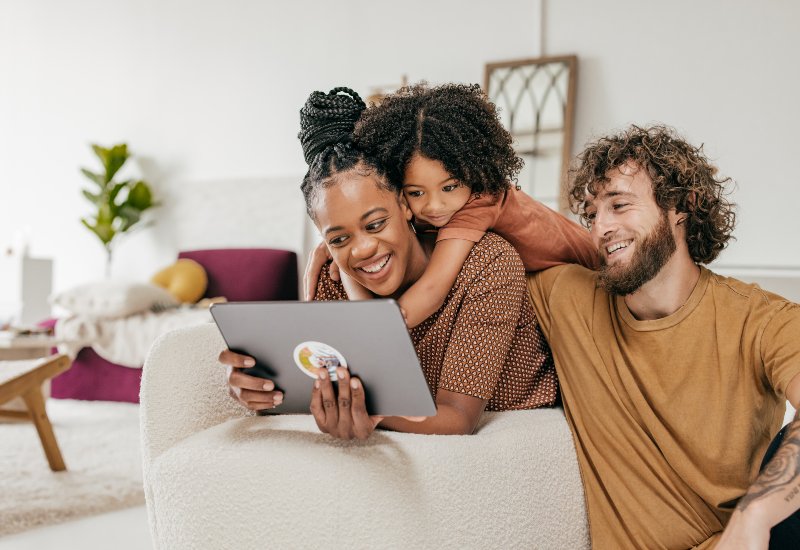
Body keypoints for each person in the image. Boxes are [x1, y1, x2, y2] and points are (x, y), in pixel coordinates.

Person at [221, 87, 564, 437]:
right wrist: (264, 392)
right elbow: (320, 384)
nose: (363, 249)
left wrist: (368, 412)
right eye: (339, 239)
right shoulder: (333, 278)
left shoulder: (486, 263)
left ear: (403, 204)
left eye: (375, 224)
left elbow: (457, 417)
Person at [525, 124, 800, 548]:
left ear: (682, 207)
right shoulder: (569, 299)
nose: (600, 229)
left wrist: (755, 517)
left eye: (619, 205)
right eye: (592, 213)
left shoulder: (760, 320)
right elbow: (491, 212)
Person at [305, 83, 597, 328]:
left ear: (473, 172)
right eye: (415, 192)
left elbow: (431, 292)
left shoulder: (477, 204)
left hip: (594, 270)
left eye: (450, 187)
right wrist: (333, 247)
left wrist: (370, 332)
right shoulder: (442, 207)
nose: (434, 206)